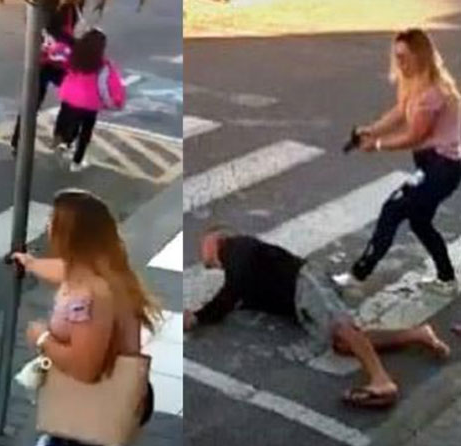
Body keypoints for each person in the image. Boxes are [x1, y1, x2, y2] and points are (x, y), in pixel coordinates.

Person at [184, 227, 451, 408]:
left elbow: (232, 290)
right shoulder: (241, 262)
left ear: (215, 239)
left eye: (202, 245)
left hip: (305, 282)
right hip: (302, 300)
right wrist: (205, 314)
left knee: (342, 327)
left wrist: (198, 316)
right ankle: (418, 334)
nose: (201, 252)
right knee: (342, 343)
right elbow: (236, 295)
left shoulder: (235, 246)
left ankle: (381, 380)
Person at [12, 189, 160, 446]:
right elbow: (66, 270)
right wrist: (31, 264)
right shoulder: (105, 271)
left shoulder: (90, 294)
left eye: (53, 220)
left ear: (70, 234)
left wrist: (41, 337)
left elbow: (85, 367)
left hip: (83, 433)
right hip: (97, 421)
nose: (48, 226)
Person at [332, 28, 461, 297]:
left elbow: (415, 136)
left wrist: (377, 145)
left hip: (443, 167)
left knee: (393, 209)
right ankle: (447, 278)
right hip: (431, 165)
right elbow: (400, 111)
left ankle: (358, 275)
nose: (400, 63)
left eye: (405, 57)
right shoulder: (414, 82)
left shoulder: (432, 93)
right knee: (420, 221)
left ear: (421, 56)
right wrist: (373, 129)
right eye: (397, 57)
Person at [10, 0, 86, 157]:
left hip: (56, 61)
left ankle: (62, 137)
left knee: (73, 96)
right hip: (45, 61)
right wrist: (76, 43)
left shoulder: (72, 7)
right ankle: (21, 140)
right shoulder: (48, 5)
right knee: (33, 102)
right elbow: (49, 30)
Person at [53, 29, 126, 172]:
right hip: (89, 103)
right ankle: (76, 162)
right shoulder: (103, 66)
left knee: (66, 118)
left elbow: (59, 58)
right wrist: (113, 103)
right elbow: (107, 86)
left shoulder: (73, 56)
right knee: (85, 131)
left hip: (69, 96)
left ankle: (64, 141)